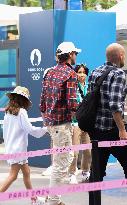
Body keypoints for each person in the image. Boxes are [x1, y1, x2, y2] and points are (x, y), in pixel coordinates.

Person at [88, 43, 127, 205]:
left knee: (96, 174)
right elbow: (115, 105)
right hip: (114, 130)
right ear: (121, 56)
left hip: (96, 133)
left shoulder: (95, 72)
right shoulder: (118, 74)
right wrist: (122, 130)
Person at [40, 42, 81, 205]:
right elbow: (72, 103)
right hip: (62, 124)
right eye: (75, 53)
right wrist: (83, 111)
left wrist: (47, 120)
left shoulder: (49, 72)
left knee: (63, 158)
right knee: (62, 162)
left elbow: (42, 102)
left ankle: (53, 198)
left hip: (52, 124)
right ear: (70, 54)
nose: (76, 56)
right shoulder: (70, 73)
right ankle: (54, 201)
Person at [0, 86, 48, 205]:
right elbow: (30, 129)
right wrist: (45, 129)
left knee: (26, 172)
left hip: (12, 148)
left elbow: (6, 132)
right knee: (13, 176)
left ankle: (34, 199)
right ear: (24, 100)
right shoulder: (21, 112)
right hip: (18, 150)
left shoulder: (8, 112)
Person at [69, 64, 91, 184]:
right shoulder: (72, 87)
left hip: (87, 123)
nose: (81, 74)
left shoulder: (89, 87)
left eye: (83, 72)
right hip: (75, 123)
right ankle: (72, 173)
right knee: (75, 151)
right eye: (79, 72)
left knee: (88, 151)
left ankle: (85, 172)